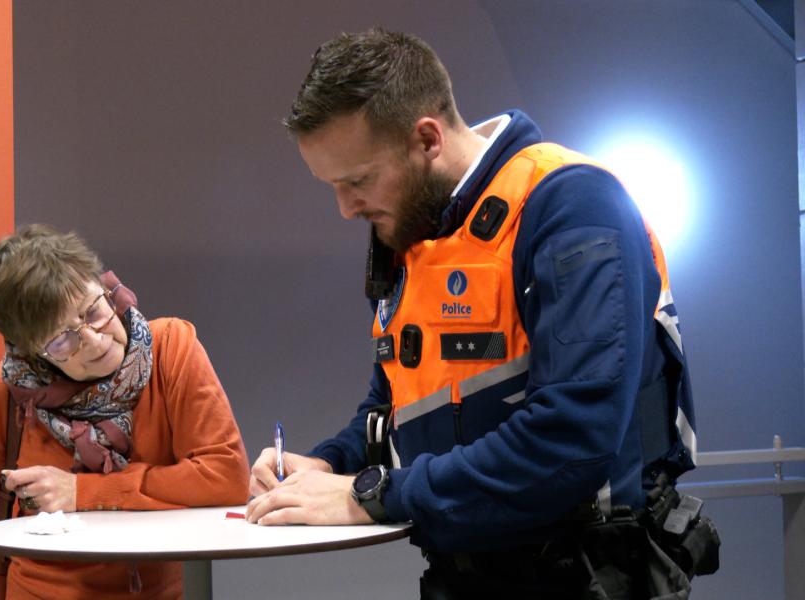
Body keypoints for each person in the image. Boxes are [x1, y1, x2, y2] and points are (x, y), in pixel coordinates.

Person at [246, 29, 716, 598]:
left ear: (426, 138)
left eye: (358, 180)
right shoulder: (412, 235)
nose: (346, 209)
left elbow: (571, 439)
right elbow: (394, 406)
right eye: (333, 187)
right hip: (462, 576)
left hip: (590, 577)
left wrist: (366, 494)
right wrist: (326, 465)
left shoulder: (571, 207)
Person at [0, 224, 249, 599]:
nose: (93, 341)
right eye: (60, 340)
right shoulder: (2, 395)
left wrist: (83, 491)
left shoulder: (171, 348)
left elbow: (225, 477)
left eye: (92, 311)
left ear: (109, 290)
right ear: (32, 355)